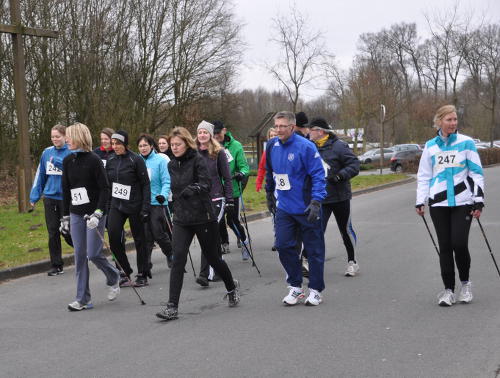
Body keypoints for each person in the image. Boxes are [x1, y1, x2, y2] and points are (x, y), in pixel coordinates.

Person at [156, 127, 240, 321]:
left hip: (203, 216)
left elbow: (206, 185)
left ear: (186, 143)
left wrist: (192, 189)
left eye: (178, 144)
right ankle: (172, 307)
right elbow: (172, 188)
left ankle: (231, 286)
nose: (174, 148)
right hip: (181, 218)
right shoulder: (171, 165)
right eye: (172, 145)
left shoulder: (198, 160)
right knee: (178, 259)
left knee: (214, 258)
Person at [416, 104, 484, 307]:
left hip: (463, 201)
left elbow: (476, 172)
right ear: (439, 122)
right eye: (449, 120)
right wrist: (420, 200)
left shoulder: (466, 143)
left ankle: (465, 284)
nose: (453, 123)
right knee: (445, 246)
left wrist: (478, 199)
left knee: (459, 244)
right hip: (439, 203)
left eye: (455, 120)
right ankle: (448, 290)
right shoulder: (430, 146)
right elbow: (424, 176)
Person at [265, 111, 327, 306]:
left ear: (292, 127)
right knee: (283, 245)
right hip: (285, 207)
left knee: (313, 250)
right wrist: (269, 194)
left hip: (307, 207)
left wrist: (316, 201)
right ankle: (296, 287)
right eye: (276, 126)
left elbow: (318, 175)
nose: (278, 129)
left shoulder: (306, 147)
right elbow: (270, 172)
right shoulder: (272, 146)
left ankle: (316, 290)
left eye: (283, 126)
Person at [61, 122, 120, 311]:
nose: (66, 140)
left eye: (69, 136)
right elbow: (65, 191)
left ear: (79, 137)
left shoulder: (94, 160)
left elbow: (105, 188)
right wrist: (65, 217)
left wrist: (99, 212)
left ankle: (114, 276)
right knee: (79, 255)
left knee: (93, 253)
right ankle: (83, 298)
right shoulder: (67, 160)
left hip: (95, 213)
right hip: (76, 213)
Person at [308, 117, 361, 276]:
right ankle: (311, 263)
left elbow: (354, 165)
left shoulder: (339, 146)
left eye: (311, 129)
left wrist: (340, 176)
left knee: (345, 230)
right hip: (320, 198)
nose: (309, 132)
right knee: (317, 231)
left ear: (320, 131)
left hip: (340, 197)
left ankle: (352, 261)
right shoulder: (310, 147)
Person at [105, 130, 151, 287]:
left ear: (125, 144)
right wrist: (107, 205)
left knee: (139, 239)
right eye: (113, 143)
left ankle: (143, 272)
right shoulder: (110, 160)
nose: (115, 146)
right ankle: (123, 270)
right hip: (117, 204)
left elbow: (145, 184)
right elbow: (108, 186)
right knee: (113, 235)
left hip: (135, 204)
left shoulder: (135, 160)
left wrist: (145, 207)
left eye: (118, 143)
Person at [30, 124, 73, 276]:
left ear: (65, 136)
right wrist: (34, 196)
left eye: (57, 136)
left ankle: (82, 249)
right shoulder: (47, 153)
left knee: (67, 232)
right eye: (52, 137)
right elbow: (40, 175)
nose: (55, 139)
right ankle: (56, 265)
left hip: (67, 198)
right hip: (49, 197)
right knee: (52, 231)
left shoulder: (71, 151)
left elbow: (74, 173)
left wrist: (59, 163)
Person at [195, 121, 233, 287]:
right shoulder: (193, 153)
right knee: (212, 236)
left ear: (210, 135)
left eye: (205, 132)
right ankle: (218, 268)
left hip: (217, 199)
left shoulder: (219, 152)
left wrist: (230, 199)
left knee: (207, 234)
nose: (202, 135)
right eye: (200, 132)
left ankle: (204, 274)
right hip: (200, 200)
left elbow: (227, 177)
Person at [213, 120, 250, 259]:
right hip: (215, 191)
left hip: (232, 189)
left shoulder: (236, 146)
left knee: (232, 220)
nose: (216, 136)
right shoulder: (210, 147)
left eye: (218, 132)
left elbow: (244, 167)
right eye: (214, 133)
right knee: (218, 221)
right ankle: (223, 243)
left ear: (224, 130)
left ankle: (244, 240)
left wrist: (241, 173)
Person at [137, 134, 173, 273]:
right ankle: (146, 263)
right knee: (145, 235)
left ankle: (170, 253)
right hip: (142, 203)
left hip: (157, 202)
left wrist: (163, 195)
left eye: (145, 145)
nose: (143, 148)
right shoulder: (136, 161)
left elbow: (166, 181)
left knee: (158, 233)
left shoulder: (160, 160)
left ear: (151, 146)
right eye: (140, 146)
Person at [255, 127, 278, 193]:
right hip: (271, 182)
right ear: (269, 138)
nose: (273, 137)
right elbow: (261, 168)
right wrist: (258, 184)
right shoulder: (266, 152)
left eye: (275, 135)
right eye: (271, 136)